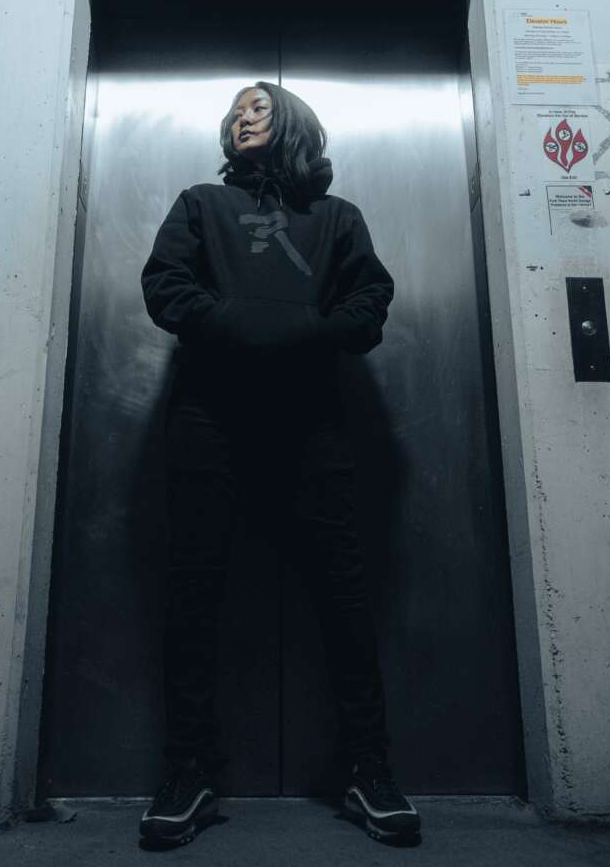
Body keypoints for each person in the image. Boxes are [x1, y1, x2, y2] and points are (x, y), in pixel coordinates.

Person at [138, 81, 421, 847]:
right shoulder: (201, 203)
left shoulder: (337, 218)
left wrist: (313, 335)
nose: (240, 118)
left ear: (292, 122)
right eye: (234, 112)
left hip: (311, 423)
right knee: (194, 592)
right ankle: (190, 769)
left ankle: (367, 767)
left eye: (256, 107)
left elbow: (370, 298)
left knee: (343, 593)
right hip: (209, 419)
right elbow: (165, 284)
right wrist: (236, 327)